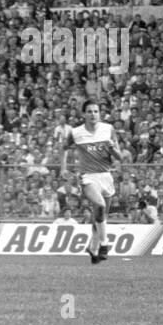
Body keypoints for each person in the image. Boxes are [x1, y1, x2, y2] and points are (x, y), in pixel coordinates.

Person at [61, 99, 123, 264]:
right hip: (88, 177)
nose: (93, 114)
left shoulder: (108, 129)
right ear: (84, 114)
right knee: (100, 206)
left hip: (106, 176)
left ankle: (93, 249)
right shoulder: (76, 132)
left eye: (96, 111)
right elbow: (64, 149)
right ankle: (104, 244)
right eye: (89, 111)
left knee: (100, 217)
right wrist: (63, 168)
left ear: (99, 113)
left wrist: (112, 148)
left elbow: (120, 157)